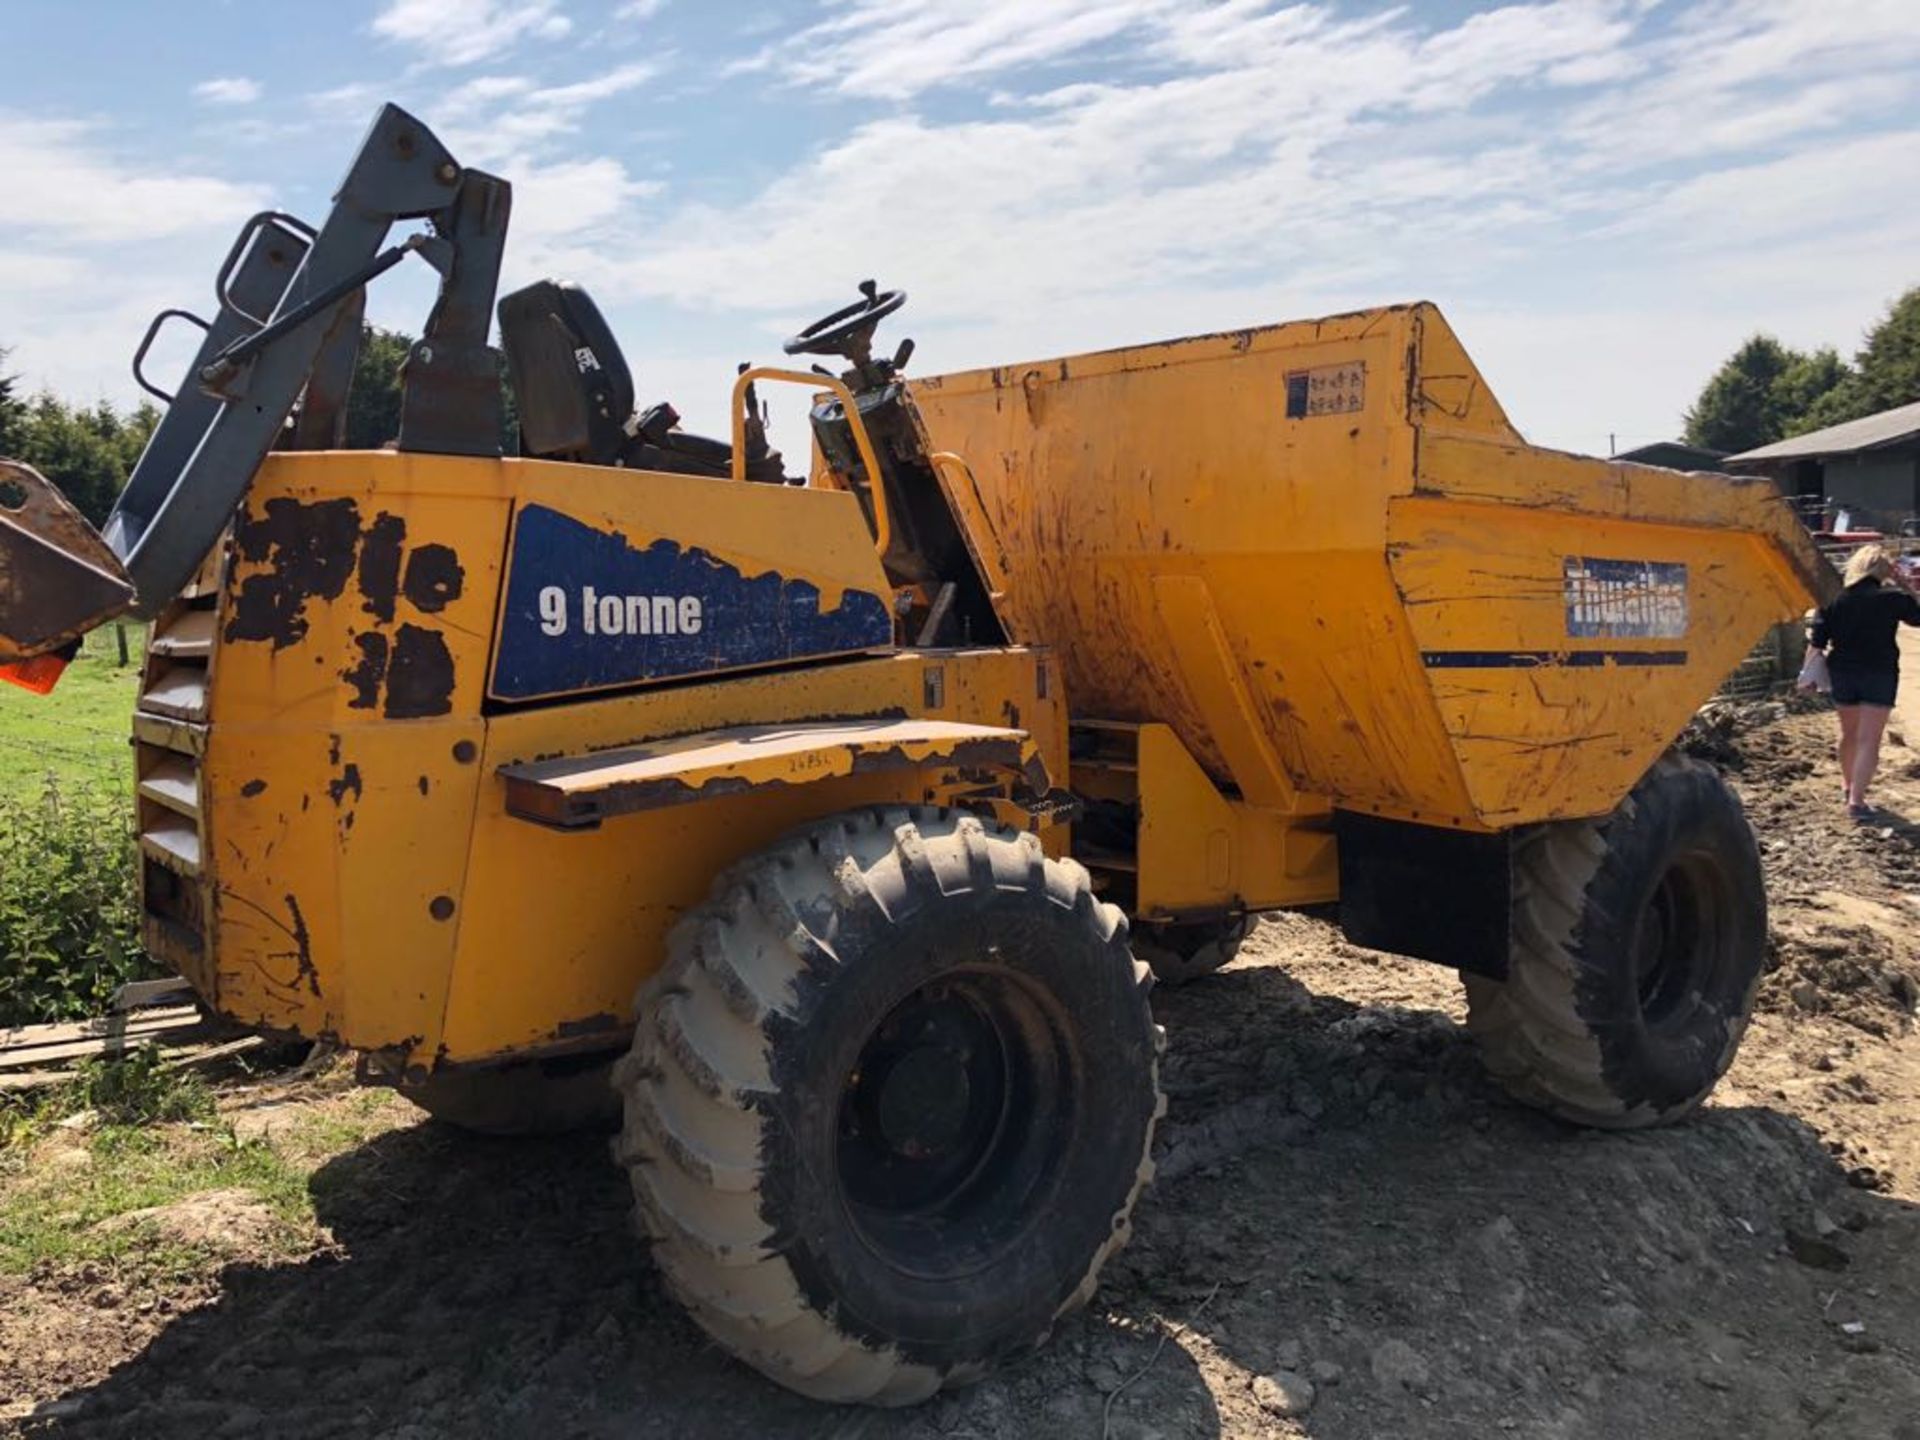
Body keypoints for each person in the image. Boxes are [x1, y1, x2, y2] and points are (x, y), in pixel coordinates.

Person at [1809, 543, 1920, 818]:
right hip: (1880, 673)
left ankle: (1848, 787)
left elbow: (1817, 641)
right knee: (1869, 740)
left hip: (1842, 672)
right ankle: (1857, 801)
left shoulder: (1833, 599)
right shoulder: (1893, 598)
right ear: (1883, 571)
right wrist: (1907, 585)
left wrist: (1807, 673)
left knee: (1849, 734)